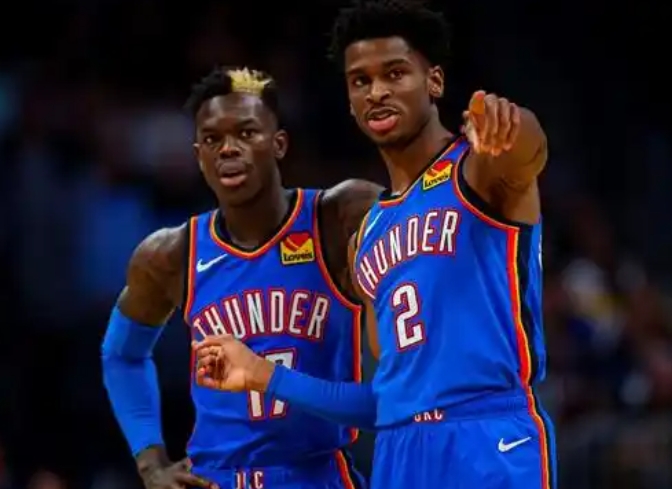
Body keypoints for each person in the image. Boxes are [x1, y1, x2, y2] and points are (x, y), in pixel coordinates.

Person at [192, 1, 556, 487]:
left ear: (434, 82)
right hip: (398, 451)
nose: (377, 91)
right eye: (360, 81)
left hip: (486, 437)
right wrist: (264, 375)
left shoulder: (477, 167)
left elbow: (529, 148)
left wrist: (508, 119)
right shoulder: (367, 234)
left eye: (395, 73)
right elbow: (384, 401)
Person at [101, 67, 382, 489]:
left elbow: (394, 396)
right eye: (212, 139)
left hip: (316, 474)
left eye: (246, 133)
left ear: (279, 143)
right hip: (215, 477)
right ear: (198, 156)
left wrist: (266, 376)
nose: (228, 149)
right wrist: (151, 463)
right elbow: (121, 355)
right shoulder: (171, 253)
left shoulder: (338, 218)